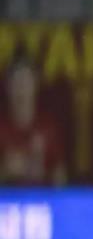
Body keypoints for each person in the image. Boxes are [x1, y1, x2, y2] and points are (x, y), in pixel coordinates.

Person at [0, 57, 65, 185]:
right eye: (16, 82)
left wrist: (42, 172)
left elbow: (60, 175)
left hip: (41, 195)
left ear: (35, 85)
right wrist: (6, 170)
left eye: (26, 82)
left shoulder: (48, 127)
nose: (21, 89)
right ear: (7, 87)